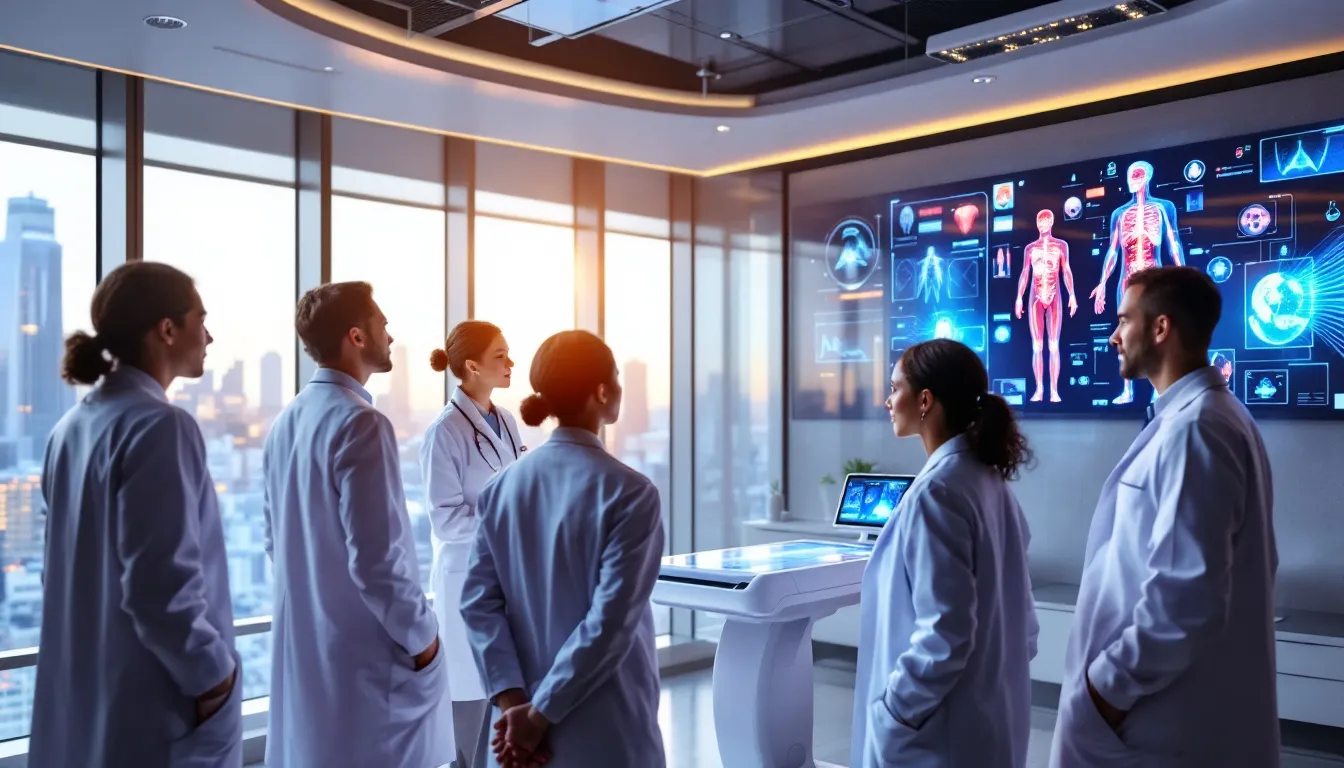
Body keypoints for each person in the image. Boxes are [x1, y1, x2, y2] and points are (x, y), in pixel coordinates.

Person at [1050, 266, 1278, 767]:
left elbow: (1185, 599)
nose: (1113, 336)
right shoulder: (1207, 418)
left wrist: (1105, 692)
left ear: (1160, 328)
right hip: (1165, 711)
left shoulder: (1198, 428)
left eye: (1123, 320)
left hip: (1158, 718)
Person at [31, 262, 241, 767]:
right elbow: (160, 587)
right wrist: (215, 679)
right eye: (200, 320)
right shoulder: (160, 426)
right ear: (167, 329)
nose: (209, 336)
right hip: (155, 702)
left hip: (89, 693)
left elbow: (55, 571)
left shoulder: (70, 429)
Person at [263, 281, 451, 768]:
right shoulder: (361, 422)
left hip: (311, 649)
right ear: (357, 336)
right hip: (366, 658)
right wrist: (425, 641)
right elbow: (377, 562)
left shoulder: (285, 423)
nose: (390, 334)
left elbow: (274, 544)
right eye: (382, 324)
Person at [460, 330, 665, 768]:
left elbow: (478, 604)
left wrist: (514, 706)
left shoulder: (501, 489)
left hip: (516, 734)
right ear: (602, 392)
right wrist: (538, 716)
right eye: (616, 378)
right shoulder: (630, 493)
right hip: (605, 725)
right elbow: (610, 623)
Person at [852, 338, 1038, 768]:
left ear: (925, 401)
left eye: (894, 388)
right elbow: (1025, 626)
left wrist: (896, 712)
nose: (887, 401)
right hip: (984, 720)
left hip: (938, 734)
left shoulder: (938, 492)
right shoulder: (986, 481)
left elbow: (945, 633)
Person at [419, 320, 524, 765]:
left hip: (505, 577)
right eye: (500, 355)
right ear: (472, 366)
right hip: (465, 580)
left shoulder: (507, 421)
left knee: (504, 697)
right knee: (467, 711)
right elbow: (445, 520)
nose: (511, 363)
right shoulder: (444, 431)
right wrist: (504, 525)